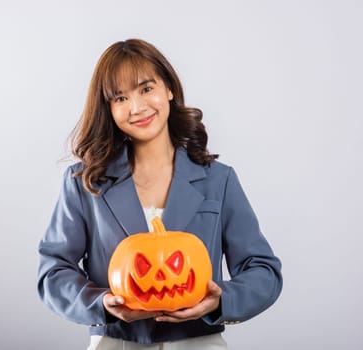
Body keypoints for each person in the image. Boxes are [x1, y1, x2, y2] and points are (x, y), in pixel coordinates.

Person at [37, 38, 282, 349]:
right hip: (116, 342)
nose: (137, 108)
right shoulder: (84, 182)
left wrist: (221, 301)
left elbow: (263, 269)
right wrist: (101, 303)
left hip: (199, 342)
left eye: (146, 89)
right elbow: (53, 269)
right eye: (121, 98)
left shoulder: (218, 180)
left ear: (168, 88)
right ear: (109, 109)